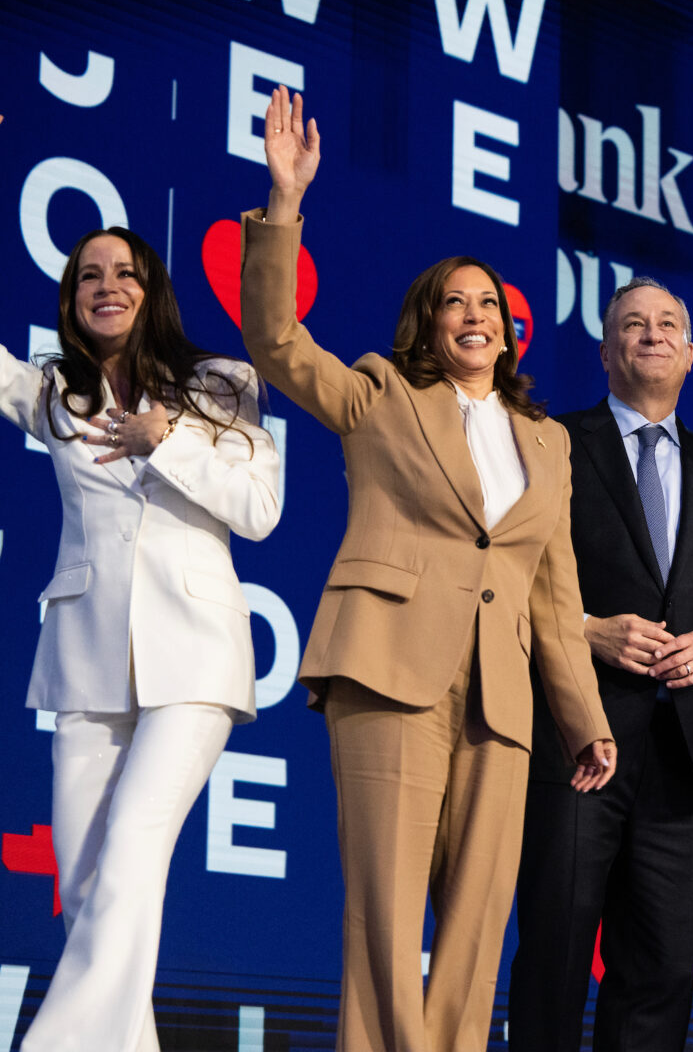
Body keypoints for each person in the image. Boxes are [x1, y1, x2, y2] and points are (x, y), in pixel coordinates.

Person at [242, 87, 615, 1051]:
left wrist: (584, 717)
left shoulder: (547, 442)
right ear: (428, 321)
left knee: (481, 925)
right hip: (392, 672)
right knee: (384, 912)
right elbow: (277, 345)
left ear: (510, 326)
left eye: (489, 302)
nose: (475, 315)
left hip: (502, 701)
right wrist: (284, 204)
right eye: (455, 302)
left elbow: (554, 589)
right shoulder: (380, 396)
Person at [3, 217, 280, 1052]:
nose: (107, 286)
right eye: (89, 275)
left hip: (195, 660)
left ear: (152, 288)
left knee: (127, 864)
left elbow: (259, 513)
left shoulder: (221, 383)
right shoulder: (52, 391)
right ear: (71, 299)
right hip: (86, 663)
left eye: (124, 272)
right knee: (89, 892)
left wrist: (169, 444)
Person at [508, 276, 693, 1051]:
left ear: (690, 355)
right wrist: (585, 630)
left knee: (662, 973)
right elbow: (506, 579)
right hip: (575, 744)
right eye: (632, 323)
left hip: (680, 759)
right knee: (554, 957)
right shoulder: (552, 443)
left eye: (667, 325)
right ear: (606, 351)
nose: (651, 334)